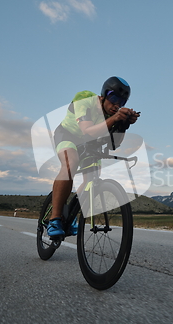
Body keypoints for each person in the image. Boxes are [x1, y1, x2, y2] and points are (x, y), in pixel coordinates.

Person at [48, 76, 140, 237]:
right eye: (113, 98)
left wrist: (124, 125)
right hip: (68, 135)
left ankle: (70, 214)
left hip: (90, 146)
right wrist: (115, 118)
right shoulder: (84, 98)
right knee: (71, 163)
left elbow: (114, 145)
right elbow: (87, 131)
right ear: (104, 95)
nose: (116, 105)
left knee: (92, 179)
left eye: (122, 102)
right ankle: (54, 218)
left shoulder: (113, 115)